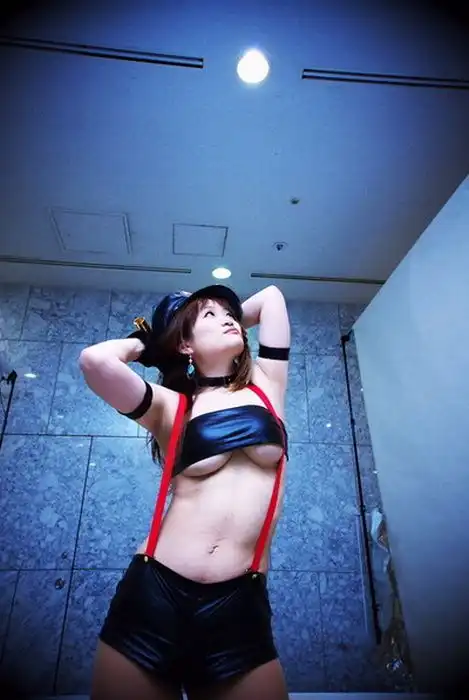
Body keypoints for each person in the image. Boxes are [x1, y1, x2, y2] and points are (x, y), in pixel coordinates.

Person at [79, 283, 291, 700]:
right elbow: (95, 361)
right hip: (154, 598)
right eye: (210, 316)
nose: (228, 319)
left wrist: (215, 320)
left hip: (238, 607)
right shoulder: (171, 407)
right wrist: (152, 344)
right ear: (185, 345)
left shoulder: (268, 385)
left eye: (230, 313)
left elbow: (271, 297)